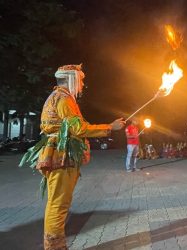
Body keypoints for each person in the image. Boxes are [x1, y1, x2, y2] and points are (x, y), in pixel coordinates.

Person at [19, 64, 125, 250]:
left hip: (60, 155)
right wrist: (109, 127)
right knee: (59, 205)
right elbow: (78, 128)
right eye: (81, 80)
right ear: (72, 79)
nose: (83, 84)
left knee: (57, 203)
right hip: (61, 156)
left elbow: (76, 126)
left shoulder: (60, 97)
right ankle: (55, 247)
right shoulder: (64, 99)